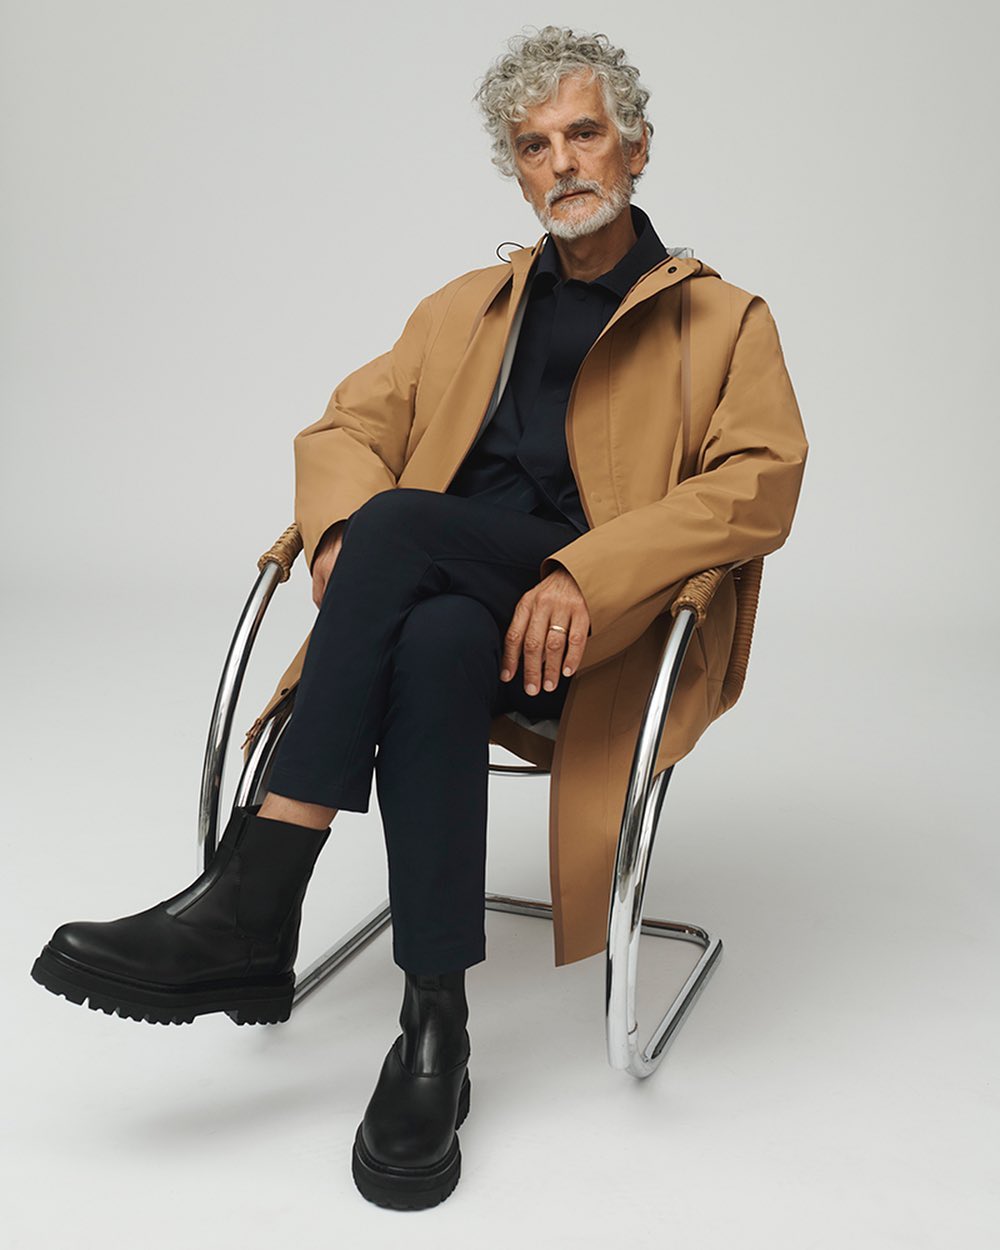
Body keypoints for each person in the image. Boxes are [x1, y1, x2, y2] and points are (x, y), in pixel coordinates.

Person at [30, 25, 808, 1210]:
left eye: (583, 134)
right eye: (533, 147)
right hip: (454, 611)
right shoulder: (465, 311)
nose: (562, 163)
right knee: (430, 624)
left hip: (597, 627)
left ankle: (257, 889)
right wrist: (340, 528)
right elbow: (347, 426)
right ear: (517, 172)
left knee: (399, 525)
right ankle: (434, 1026)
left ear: (636, 148)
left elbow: (758, 481)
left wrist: (586, 572)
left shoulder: (723, 321)